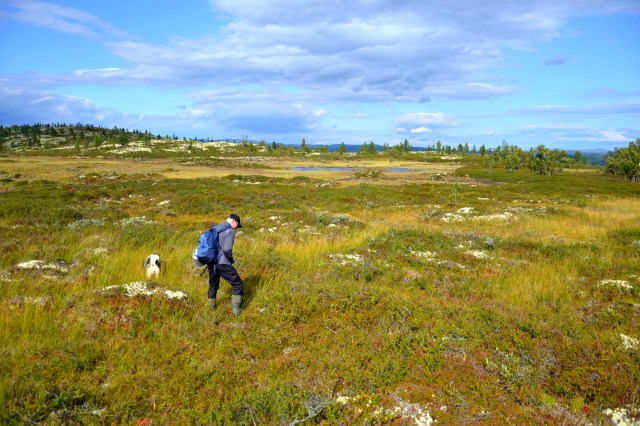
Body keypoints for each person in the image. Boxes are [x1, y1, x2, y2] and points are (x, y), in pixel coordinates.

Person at [207, 213, 244, 315]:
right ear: (233, 221)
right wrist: (231, 260)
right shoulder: (230, 231)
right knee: (237, 284)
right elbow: (227, 250)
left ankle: (211, 309)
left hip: (211, 263)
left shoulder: (215, 227)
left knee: (213, 285)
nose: (236, 228)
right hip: (223, 263)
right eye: (237, 225)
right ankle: (237, 311)